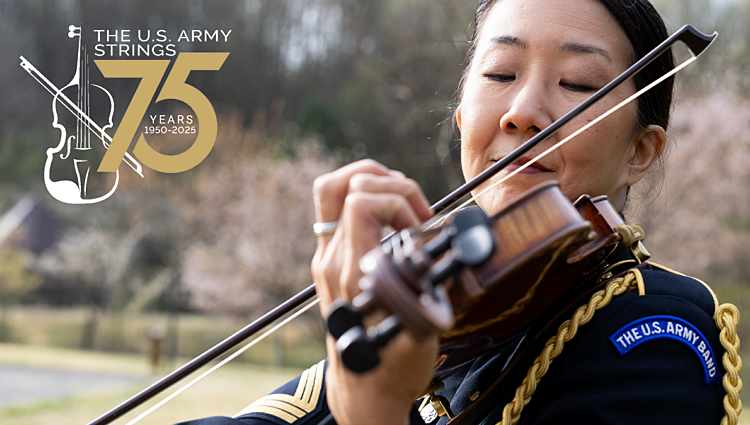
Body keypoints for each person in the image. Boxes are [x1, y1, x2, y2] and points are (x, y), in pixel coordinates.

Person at [180, 0, 740, 424]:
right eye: (500, 74)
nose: (522, 113)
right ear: (461, 112)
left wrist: (373, 407)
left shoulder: (655, 334)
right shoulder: (442, 295)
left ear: (640, 152)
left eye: (578, 84)